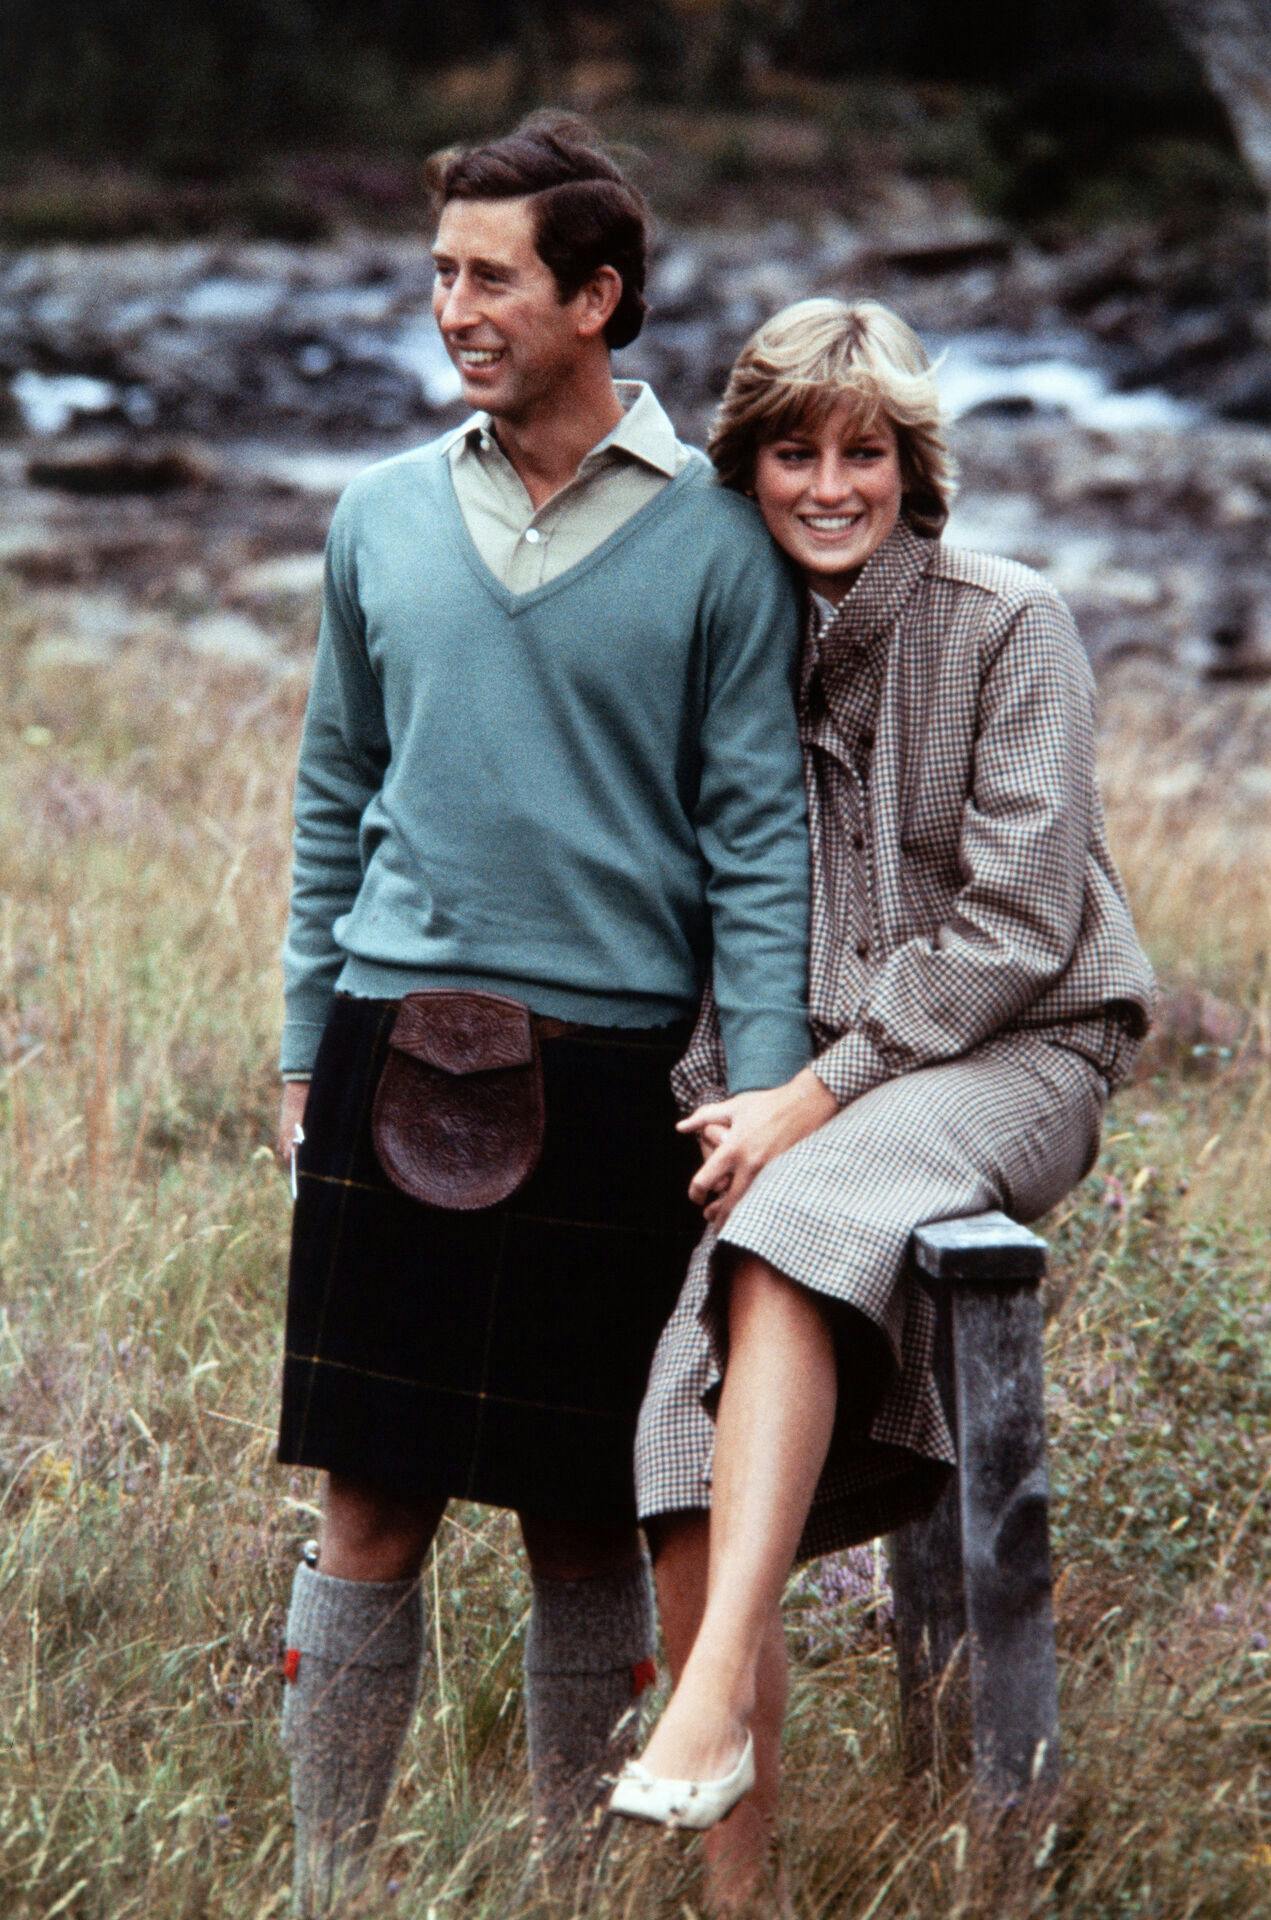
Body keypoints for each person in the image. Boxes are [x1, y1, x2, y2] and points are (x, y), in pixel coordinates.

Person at [271, 115, 812, 1914]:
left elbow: (754, 842)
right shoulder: (378, 516)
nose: (452, 308)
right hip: (389, 1042)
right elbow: (332, 788)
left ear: (597, 296)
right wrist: (298, 1045)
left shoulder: (722, 548)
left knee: (589, 1522)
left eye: (490, 275)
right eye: (440, 273)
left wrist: (765, 1098)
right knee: (371, 1503)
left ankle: (570, 1889)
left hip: (614, 1089)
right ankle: (332, 1885)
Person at [613, 297, 1155, 1910]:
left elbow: (1015, 926)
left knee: (798, 1220)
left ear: (917, 467)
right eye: (794, 452)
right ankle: (740, 1890)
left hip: (1019, 1054)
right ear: (749, 466)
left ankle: (700, 1703)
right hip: (812, 1098)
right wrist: (733, 1099)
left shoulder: (1009, 618)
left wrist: (812, 1097)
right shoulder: (735, 641)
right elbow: (708, 911)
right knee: (671, 1438)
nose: (830, 485)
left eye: (866, 453)